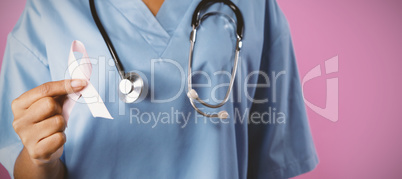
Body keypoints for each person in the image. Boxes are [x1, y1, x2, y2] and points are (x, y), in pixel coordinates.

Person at [0, 0, 318, 178]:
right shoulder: (48, 10)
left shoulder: (254, 6)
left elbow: (273, 163)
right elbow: (28, 166)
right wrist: (41, 159)